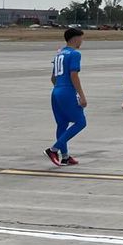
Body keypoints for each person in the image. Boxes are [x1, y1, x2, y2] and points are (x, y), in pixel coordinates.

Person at [45, 28, 88, 167]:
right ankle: (53, 149)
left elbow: (53, 77)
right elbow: (73, 75)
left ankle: (65, 156)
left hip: (56, 91)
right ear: (75, 38)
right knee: (81, 122)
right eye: (81, 38)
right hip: (67, 91)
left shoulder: (59, 53)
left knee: (62, 124)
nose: (82, 41)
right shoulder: (75, 54)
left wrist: (59, 89)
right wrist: (81, 95)